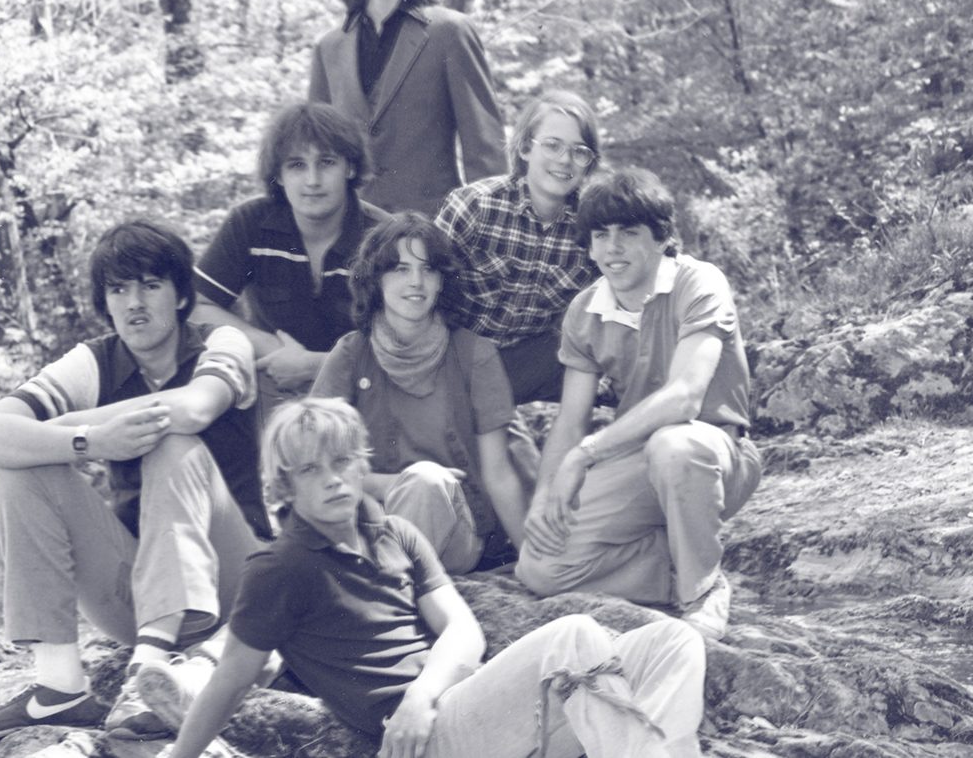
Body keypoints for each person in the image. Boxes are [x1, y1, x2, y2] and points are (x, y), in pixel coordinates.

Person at [149, 398, 706, 758]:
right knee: (573, 636)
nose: (334, 481)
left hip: (466, 708)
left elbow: (465, 633)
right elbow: (229, 682)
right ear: (285, 487)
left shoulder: (394, 532)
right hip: (429, 744)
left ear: (361, 463)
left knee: (674, 640)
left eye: (342, 461)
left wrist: (423, 693)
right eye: (311, 470)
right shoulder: (279, 568)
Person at [0, 220, 267, 745]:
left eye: (150, 285)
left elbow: (193, 408)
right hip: (135, 594)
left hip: (239, 585)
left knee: (170, 440)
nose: (134, 303)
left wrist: (72, 429)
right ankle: (58, 687)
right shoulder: (94, 361)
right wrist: (87, 441)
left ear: (181, 295)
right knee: (18, 467)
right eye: (118, 289)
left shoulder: (223, 339)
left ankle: (148, 670)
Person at [515, 167, 764, 642]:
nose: (613, 248)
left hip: (714, 456)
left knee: (674, 446)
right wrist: (547, 494)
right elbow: (571, 421)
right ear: (587, 245)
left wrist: (587, 454)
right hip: (638, 462)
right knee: (540, 568)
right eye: (601, 235)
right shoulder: (584, 312)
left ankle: (702, 589)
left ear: (661, 238)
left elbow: (685, 395)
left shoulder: (698, 282)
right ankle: (672, 564)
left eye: (629, 233)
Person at [309, 213, 528, 573]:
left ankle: (379, 601)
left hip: (457, 533)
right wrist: (394, 486)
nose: (416, 282)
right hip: (369, 522)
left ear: (443, 281)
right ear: (376, 279)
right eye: (400, 269)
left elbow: (498, 474)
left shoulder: (475, 354)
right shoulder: (351, 354)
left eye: (428, 269)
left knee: (427, 482)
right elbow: (316, 463)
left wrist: (532, 564)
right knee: (411, 486)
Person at [309, 0, 506, 216]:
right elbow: (314, 153)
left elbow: (484, 152)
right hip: (350, 234)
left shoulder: (449, 32)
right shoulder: (329, 47)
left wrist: (487, 232)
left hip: (431, 232)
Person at [193, 102, 388, 398]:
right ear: (279, 175)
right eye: (297, 165)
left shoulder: (384, 237)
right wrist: (271, 346)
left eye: (326, 162)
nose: (312, 180)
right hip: (274, 391)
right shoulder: (251, 223)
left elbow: (412, 345)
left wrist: (316, 365)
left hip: (364, 394)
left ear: (350, 167)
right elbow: (196, 306)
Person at [435, 91, 603, 404]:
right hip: (452, 357)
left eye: (579, 152)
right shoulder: (474, 206)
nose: (564, 160)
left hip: (528, 366)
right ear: (525, 147)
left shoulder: (593, 228)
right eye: (552, 145)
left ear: (589, 163)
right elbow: (424, 289)